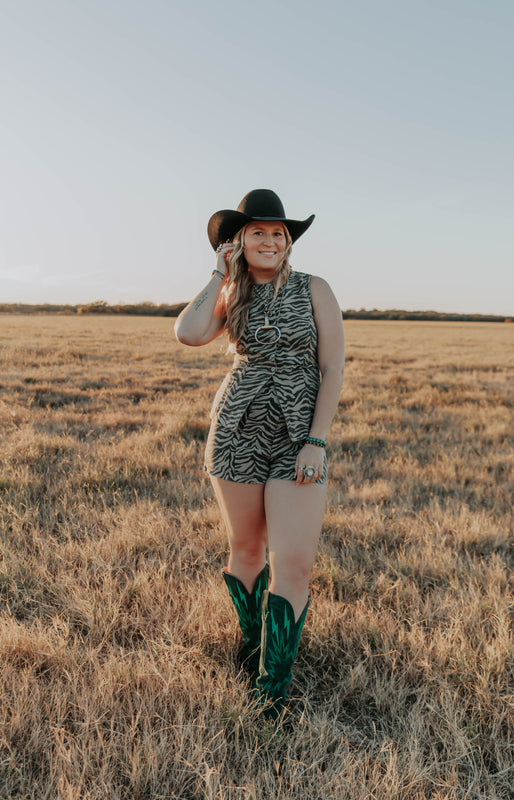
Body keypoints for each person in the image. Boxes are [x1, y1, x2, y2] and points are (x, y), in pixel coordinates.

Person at [175, 189, 344, 718]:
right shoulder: (232, 292)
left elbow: (333, 369)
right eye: (257, 233)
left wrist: (316, 441)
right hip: (238, 427)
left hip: (298, 435)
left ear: (287, 241)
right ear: (238, 242)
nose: (270, 240)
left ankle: (272, 693)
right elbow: (187, 333)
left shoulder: (314, 288)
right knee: (247, 550)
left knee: (292, 561)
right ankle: (250, 655)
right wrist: (217, 275)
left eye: (278, 233)